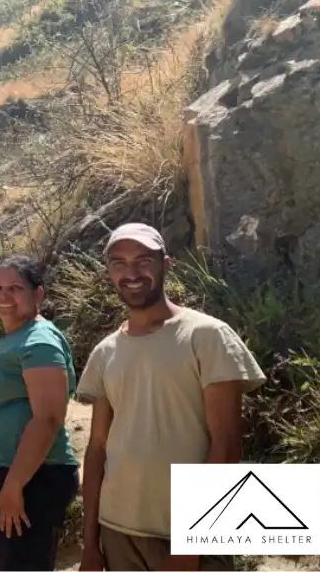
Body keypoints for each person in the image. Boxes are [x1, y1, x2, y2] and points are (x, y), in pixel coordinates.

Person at [77, 223, 266, 572]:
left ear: (166, 265)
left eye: (143, 260)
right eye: (119, 263)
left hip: (186, 536)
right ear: (109, 273)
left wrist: (191, 545)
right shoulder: (105, 352)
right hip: (118, 531)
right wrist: (90, 544)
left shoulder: (207, 336)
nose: (131, 273)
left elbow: (226, 444)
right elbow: (98, 449)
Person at [0, 254, 80, 571]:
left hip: (31, 477)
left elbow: (48, 418)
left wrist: (14, 485)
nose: (3, 296)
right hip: (15, 474)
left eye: (15, 288)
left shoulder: (39, 340)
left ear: (38, 294)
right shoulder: (14, 339)